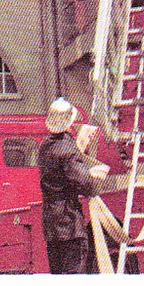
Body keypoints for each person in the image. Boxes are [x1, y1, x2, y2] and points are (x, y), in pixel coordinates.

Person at [37, 98, 106, 274]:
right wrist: (96, 174)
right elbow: (87, 186)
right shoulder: (67, 150)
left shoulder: (45, 146)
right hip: (68, 224)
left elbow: (61, 168)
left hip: (51, 224)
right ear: (70, 123)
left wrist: (77, 148)